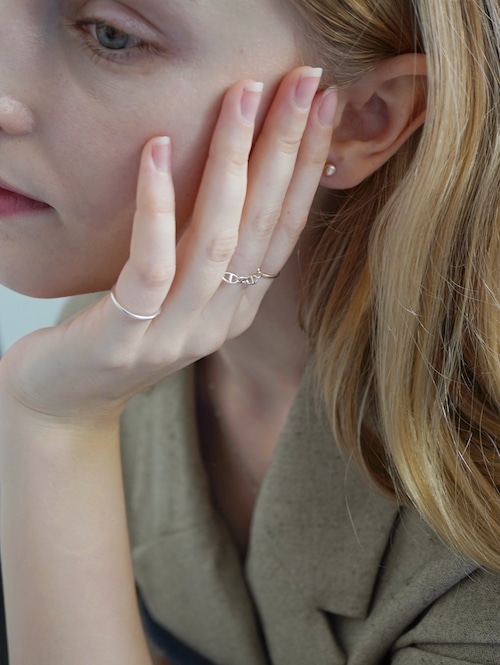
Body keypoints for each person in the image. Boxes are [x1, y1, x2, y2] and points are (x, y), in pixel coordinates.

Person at [0, 0, 499, 663]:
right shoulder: (112, 334)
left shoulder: (478, 526)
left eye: (113, 35)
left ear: (364, 118)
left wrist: (57, 429)